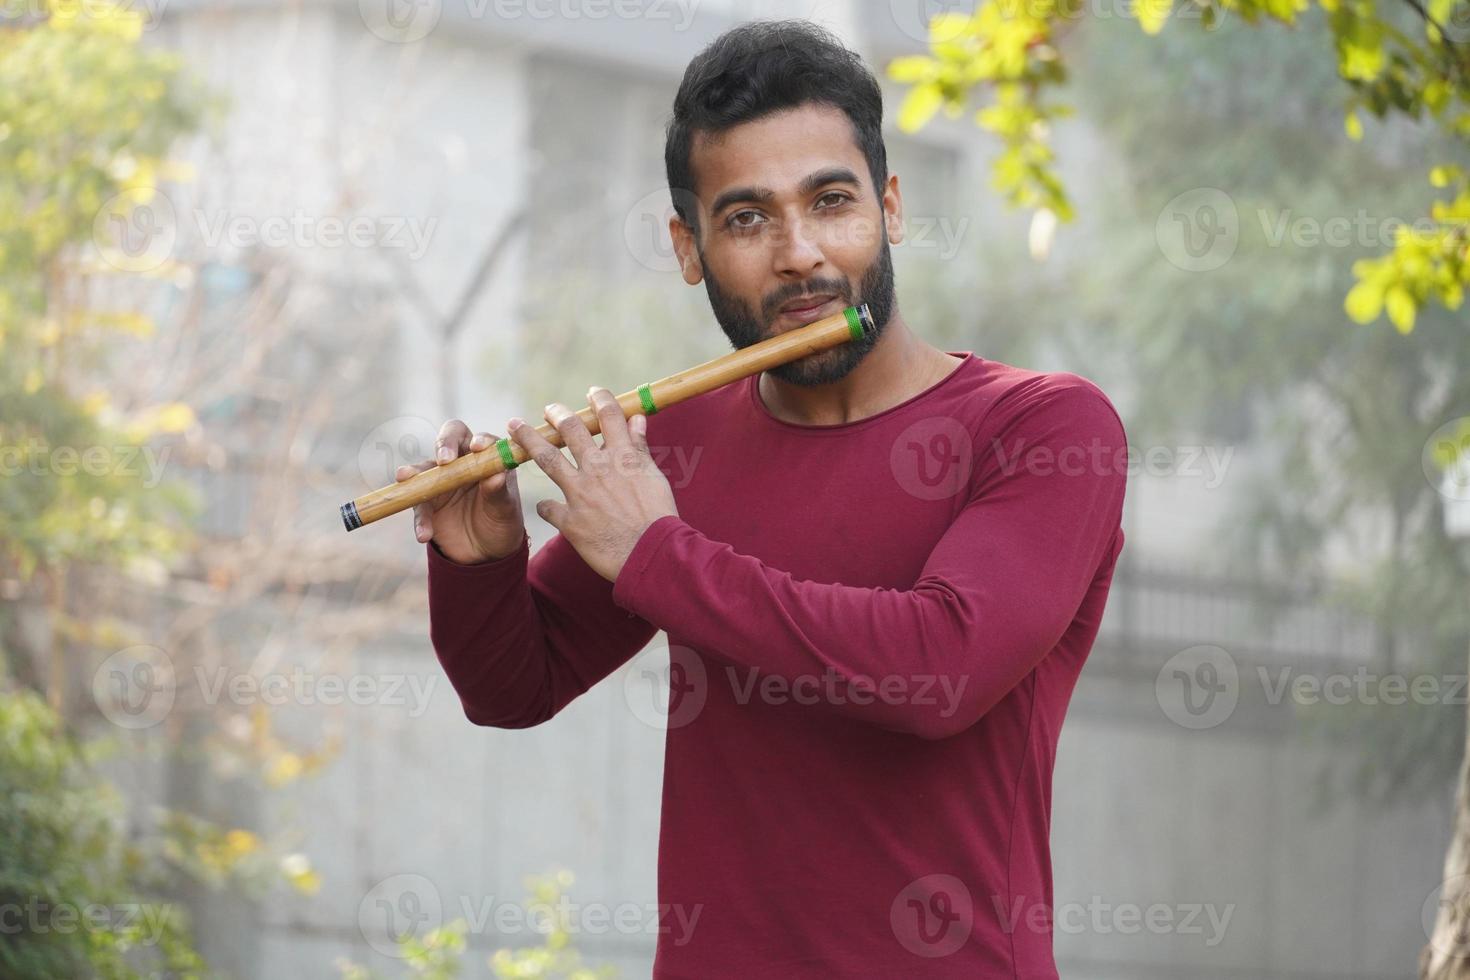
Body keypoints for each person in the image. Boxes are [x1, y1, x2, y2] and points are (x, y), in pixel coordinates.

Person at [398, 18, 1128, 978]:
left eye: (832, 202)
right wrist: (479, 557)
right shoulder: (682, 451)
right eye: (746, 219)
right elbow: (511, 688)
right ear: (689, 247)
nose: (800, 255)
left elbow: (940, 671)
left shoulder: (1044, 428)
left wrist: (657, 553)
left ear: (892, 207)